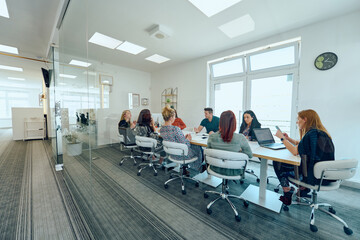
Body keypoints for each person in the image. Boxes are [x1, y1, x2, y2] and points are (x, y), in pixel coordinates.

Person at [274, 109, 335, 205]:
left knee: (277, 162)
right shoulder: (321, 133)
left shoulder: (310, 134)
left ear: (305, 119)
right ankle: (303, 189)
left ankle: (287, 191)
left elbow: (295, 151)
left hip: (312, 177)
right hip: (325, 176)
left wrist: (282, 138)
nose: (297, 122)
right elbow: (301, 144)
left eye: (298, 119)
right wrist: (288, 138)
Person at [207, 110, 253, 176]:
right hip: (234, 171)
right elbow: (249, 155)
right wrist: (239, 150)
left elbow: (209, 152)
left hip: (215, 168)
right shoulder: (240, 138)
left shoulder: (212, 136)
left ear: (220, 123)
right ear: (234, 123)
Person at [160, 106, 203, 172]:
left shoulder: (162, 129)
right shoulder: (175, 129)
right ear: (171, 118)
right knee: (198, 148)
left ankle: (187, 169)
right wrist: (188, 139)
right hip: (182, 155)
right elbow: (185, 145)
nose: (175, 118)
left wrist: (183, 138)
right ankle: (198, 168)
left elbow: (173, 140)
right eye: (174, 116)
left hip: (172, 154)